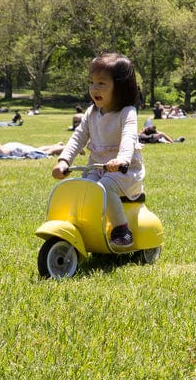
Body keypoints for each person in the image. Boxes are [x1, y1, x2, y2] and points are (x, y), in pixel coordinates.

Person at [53, 53, 146, 249]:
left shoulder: (126, 112)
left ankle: (122, 230)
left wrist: (121, 160)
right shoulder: (91, 113)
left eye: (102, 83)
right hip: (97, 168)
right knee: (82, 188)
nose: (94, 88)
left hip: (124, 172)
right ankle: (82, 226)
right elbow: (78, 137)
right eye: (92, 82)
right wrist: (64, 161)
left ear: (119, 88)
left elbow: (129, 137)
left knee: (104, 186)